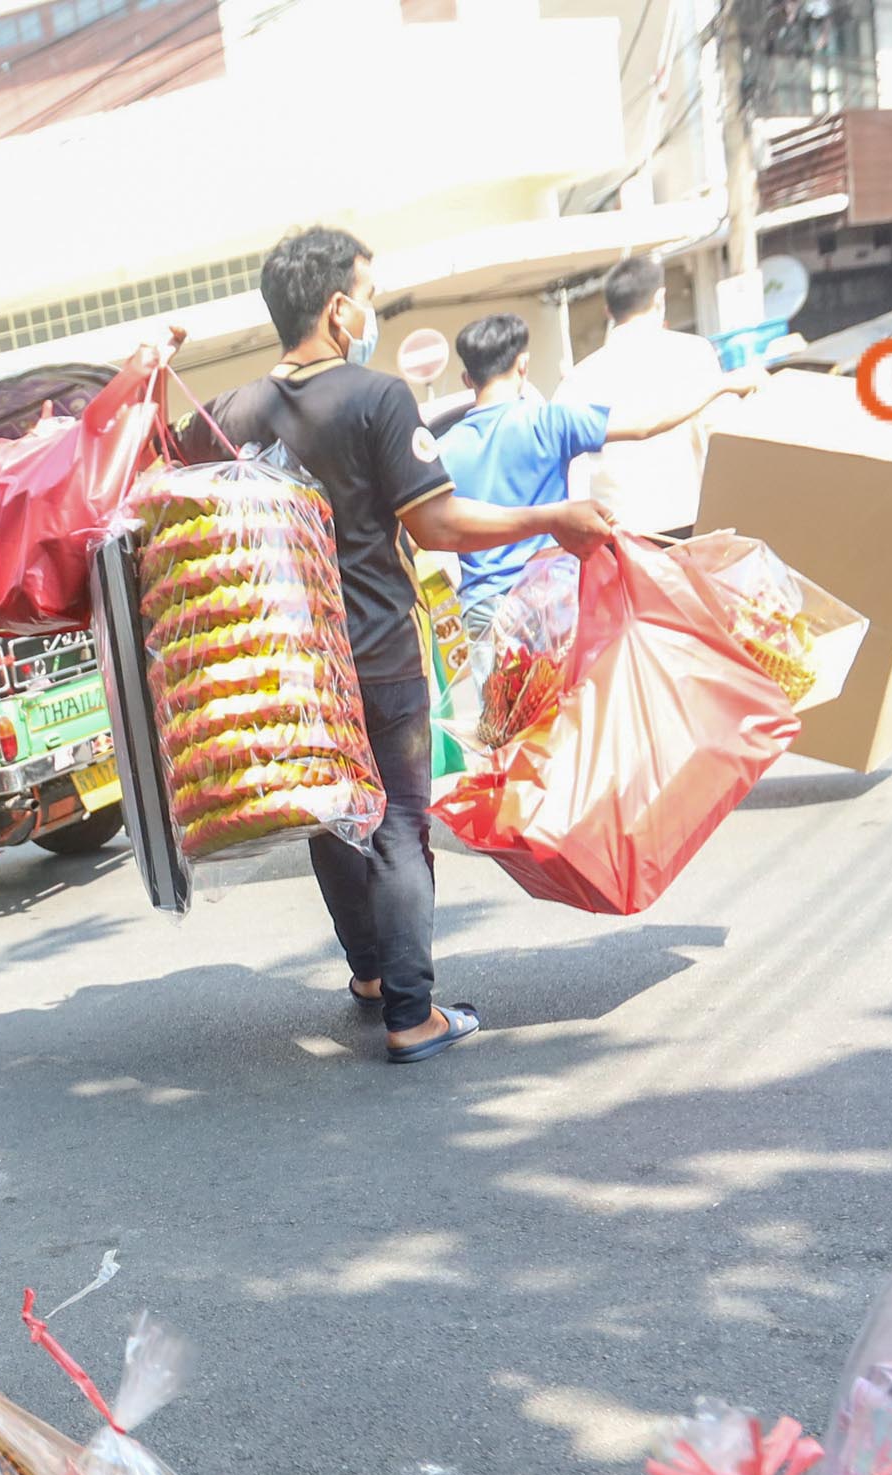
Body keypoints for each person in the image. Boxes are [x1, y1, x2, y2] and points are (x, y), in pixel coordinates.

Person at [188, 226, 613, 1066]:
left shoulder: (228, 415)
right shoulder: (376, 398)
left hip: (281, 670)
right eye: (369, 296)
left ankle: (374, 975)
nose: (373, 312)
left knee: (329, 820)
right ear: (340, 308)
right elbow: (438, 522)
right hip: (374, 654)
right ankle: (411, 1015)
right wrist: (549, 519)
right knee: (396, 825)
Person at [439, 308, 759, 619]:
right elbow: (644, 424)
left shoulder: (445, 449)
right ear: (522, 365)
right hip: (551, 600)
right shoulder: (549, 421)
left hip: (484, 608)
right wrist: (721, 385)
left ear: (467, 379)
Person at [557, 254, 737, 540]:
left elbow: (570, 468)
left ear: (608, 311)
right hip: (688, 520)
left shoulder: (578, 379)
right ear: (660, 298)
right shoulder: (693, 353)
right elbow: (721, 436)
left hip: (617, 533)